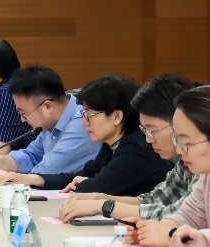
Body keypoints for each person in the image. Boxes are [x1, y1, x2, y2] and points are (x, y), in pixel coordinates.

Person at [0, 74, 167, 196]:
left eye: (89, 115)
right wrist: (33, 179)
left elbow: (98, 186)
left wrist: (84, 182)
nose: (84, 122)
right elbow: (80, 175)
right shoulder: (111, 144)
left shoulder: (136, 147)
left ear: (116, 116)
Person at [59, 73, 196, 223]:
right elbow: (153, 200)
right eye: (145, 130)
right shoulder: (184, 163)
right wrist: (99, 199)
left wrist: (104, 205)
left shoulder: (204, 166)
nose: (148, 139)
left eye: (152, 130)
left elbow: (181, 215)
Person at [137, 86, 210, 247]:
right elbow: (190, 215)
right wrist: (161, 228)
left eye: (187, 143)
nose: (179, 150)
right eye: (177, 140)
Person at [0, 65, 96, 182]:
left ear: (48, 106)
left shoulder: (82, 123)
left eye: (24, 113)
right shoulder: (51, 122)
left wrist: (18, 177)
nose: (22, 119)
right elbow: (31, 156)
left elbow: (47, 171)